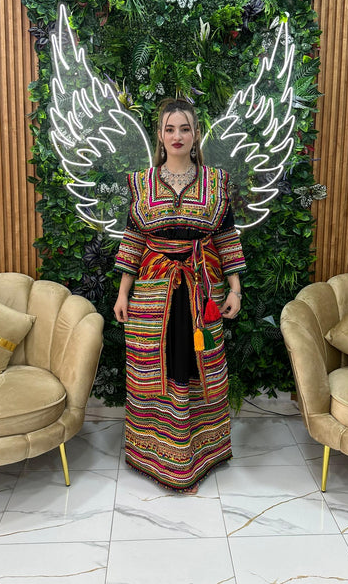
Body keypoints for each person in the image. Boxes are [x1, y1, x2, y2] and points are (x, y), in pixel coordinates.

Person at [113, 97, 246, 493]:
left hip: (202, 290)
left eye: (184, 128)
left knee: (197, 364)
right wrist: (122, 294)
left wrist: (235, 288)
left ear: (195, 134)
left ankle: (200, 452)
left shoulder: (216, 182)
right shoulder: (141, 183)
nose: (177, 136)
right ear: (159, 134)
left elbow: (227, 238)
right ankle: (154, 454)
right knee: (157, 366)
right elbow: (133, 241)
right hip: (153, 294)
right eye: (170, 129)